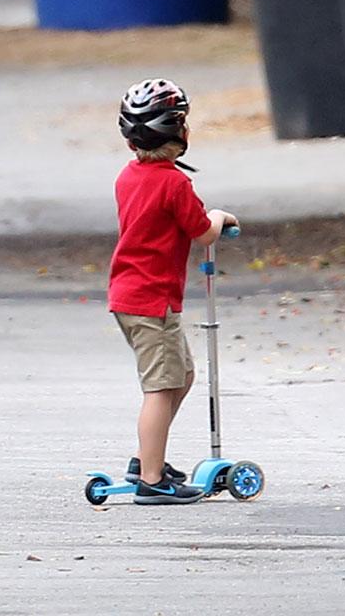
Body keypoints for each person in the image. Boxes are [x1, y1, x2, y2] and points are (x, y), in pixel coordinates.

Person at [108, 78, 236, 504]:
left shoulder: (129, 177)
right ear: (180, 132)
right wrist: (219, 215)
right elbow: (202, 233)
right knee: (161, 387)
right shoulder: (174, 184)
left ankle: (148, 458)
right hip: (152, 300)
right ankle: (151, 479)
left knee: (181, 376)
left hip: (131, 295)